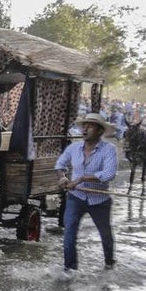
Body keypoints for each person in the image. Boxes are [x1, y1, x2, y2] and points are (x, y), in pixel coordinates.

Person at [55, 113, 117, 272]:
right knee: (69, 235)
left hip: (99, 200)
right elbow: (60, 164)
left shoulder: (109, 150)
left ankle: (109, 264)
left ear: (100, 131)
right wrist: (62, 177)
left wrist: (81, 179)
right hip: (76, 197)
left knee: (105, 236)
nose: (85, 129)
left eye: (90, 126)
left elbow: (109, 174)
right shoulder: (73, 148)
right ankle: (69, 270)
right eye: (84, 126)